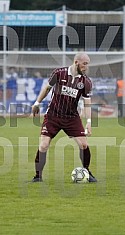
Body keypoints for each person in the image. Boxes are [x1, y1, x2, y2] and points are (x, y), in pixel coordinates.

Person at [31, 53, 97, 183]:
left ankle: (86, 171)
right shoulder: (59, 73)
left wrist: (89, 122)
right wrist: (37, 103)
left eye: (88, 64)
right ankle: (38, 176)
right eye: (85, 64)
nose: (86, 67)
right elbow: (47, 89)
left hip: (71, 117)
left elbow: (87, 103)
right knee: (43, 145)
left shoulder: (86, 82)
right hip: (53, 116)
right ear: (76, 62)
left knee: (83, 144)